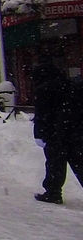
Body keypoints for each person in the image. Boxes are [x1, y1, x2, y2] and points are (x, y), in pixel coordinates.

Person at [29, 62, 83, 204]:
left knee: (55, 164)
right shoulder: (73, 86)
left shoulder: (43, 90)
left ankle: (53, 192)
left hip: (55, 134)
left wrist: (39, 134)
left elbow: (42, 115)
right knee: (79, 162)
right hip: (76, 131)